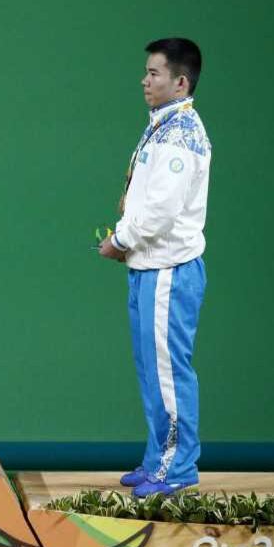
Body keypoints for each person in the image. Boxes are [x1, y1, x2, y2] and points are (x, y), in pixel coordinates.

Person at [99, 37, 210, 497]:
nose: (145, 81)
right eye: (146, 72)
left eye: (155, 74)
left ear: (180, 81)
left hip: (168, 272)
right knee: (151, 371)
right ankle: (157, 459)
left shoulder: (182, 135)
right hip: (149, 267)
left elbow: (161, 211)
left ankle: (178, 467)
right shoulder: (162, 127)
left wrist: (120, 239)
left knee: (167, 373)